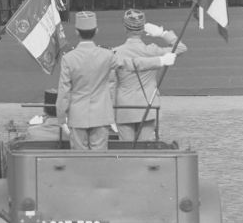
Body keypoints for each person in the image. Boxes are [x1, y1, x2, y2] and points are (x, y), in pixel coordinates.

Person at [56, 11, 177, 151]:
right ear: (96, 31)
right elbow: (132, 64)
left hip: (77, 117)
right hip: (101, 116)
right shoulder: (107, 55)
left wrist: (61, 118)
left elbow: (64, 92)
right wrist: (160, 60)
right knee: (100, 159)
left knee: (79, 159)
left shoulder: (68, 58)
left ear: (77, 32)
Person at [113, 10, 187, 142]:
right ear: (143, 29)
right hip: (148, 105)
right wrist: (162, 33)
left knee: (126, 151)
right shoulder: (153, 51)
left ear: (125, 28)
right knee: (145, 149)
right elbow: (181, 48)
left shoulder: (116, 52)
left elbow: (111, 83)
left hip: (124, 107)